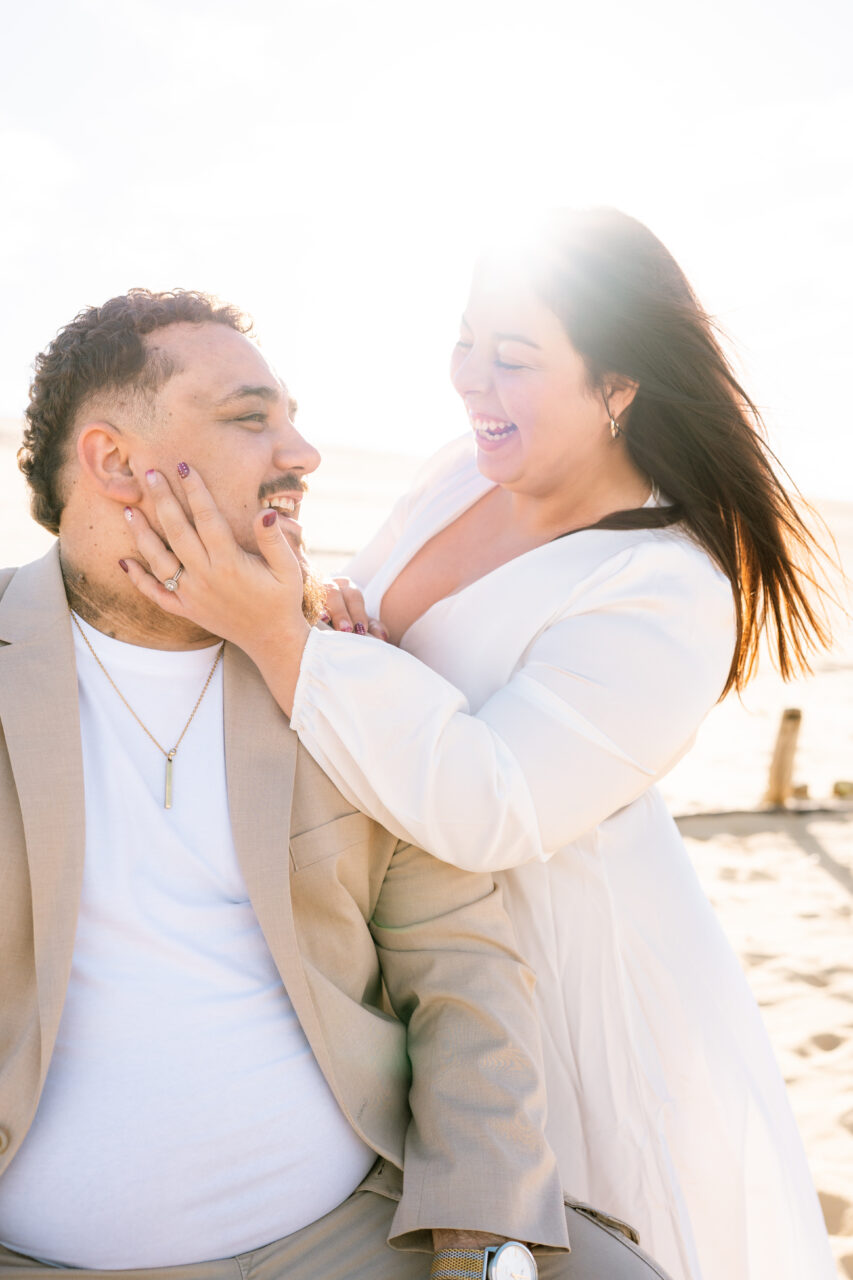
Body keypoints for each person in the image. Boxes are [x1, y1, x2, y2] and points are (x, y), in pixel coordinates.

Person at [123, 212, 837, 1280]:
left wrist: (280, 636)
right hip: (419, 939)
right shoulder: (461, 467)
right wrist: (333, 629)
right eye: (466, 342)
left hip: (568, 971)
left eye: (513, 359)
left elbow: (495, 803)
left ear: (619, 385)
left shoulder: (667, 588)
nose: (470, 380)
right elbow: (380, 663)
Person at [0, 288, 674, 1280]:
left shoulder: (339, 679)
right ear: (110, 460)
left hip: (350, 1234)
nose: (304, 452)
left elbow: (462, 974)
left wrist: (485, 1236)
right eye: (250, 417)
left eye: (293, 417)